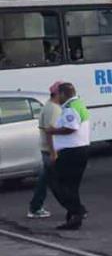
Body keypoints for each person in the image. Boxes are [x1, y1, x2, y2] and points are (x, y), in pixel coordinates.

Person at [43, 82, 90, 230]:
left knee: (54, 180)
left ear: (63, 94)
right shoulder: (78, 104)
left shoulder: (70, 108)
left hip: (72, 152)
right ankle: (73, 219)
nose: (56, 98)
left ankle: (77, 211)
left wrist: (52, 131)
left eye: (56, 95)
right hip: (78, 150)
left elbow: (71, 128)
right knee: (71, 186)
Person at [27, 82, 64, 220]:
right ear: (59, 94)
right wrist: (53, 151)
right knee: (56, 181)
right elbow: (51, 132)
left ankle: (35, 206)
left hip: (47, 149)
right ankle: (74, 208)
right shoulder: (54, 109)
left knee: (46, 179)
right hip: (50, 150)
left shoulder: (48, 106)